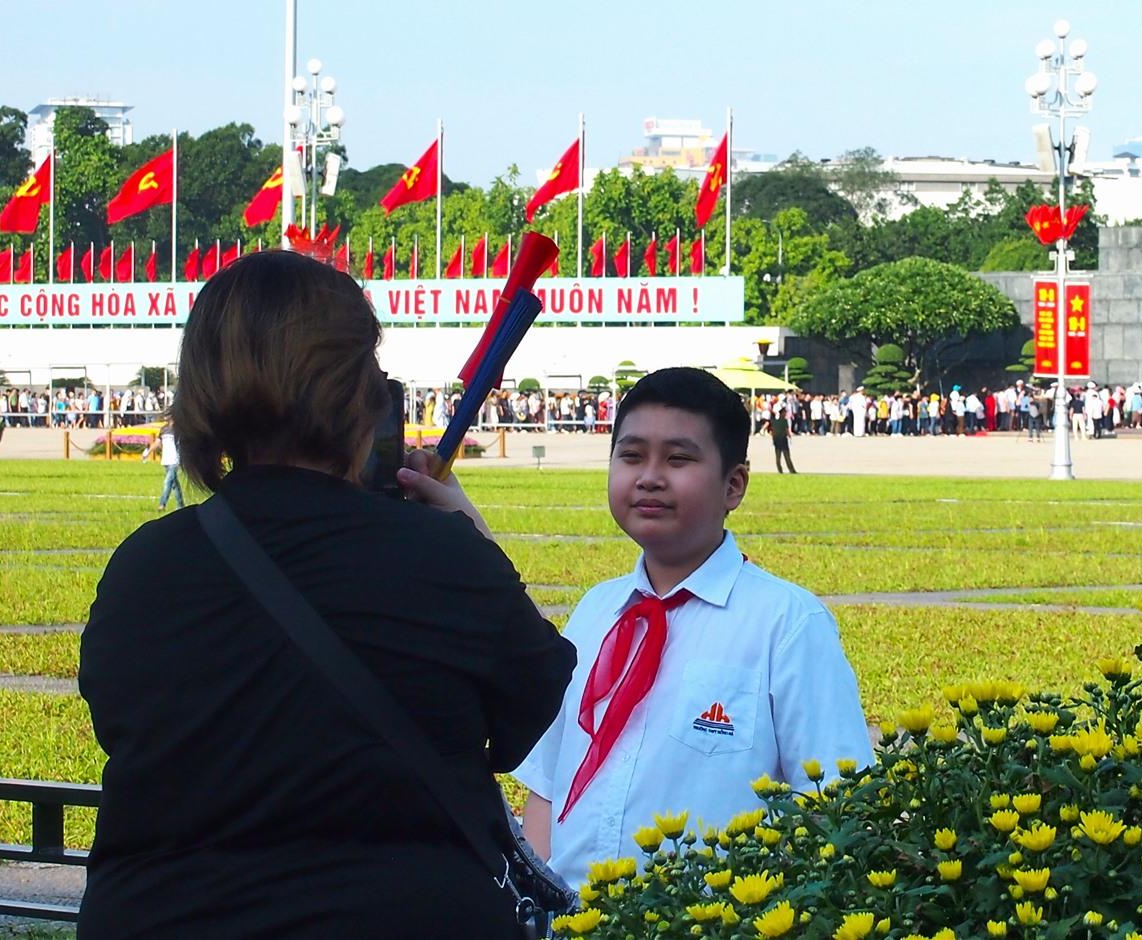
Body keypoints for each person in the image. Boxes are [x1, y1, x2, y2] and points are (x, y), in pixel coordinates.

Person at [77, 251, 574, 940]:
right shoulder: (440, 554)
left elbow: (119, 717)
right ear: (357, 393)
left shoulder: (144, 566)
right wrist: (472, 540)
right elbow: (530, 707)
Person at [515, 368, 874, 891]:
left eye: (678, 459)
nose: (649, 477)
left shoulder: (787, 625)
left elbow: (835, 809)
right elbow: (547, 785)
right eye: (631, 455)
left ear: (734, 485)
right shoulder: (596, 610)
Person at [153, 420, 183, 510]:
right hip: (166, 461)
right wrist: (148, 452)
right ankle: (181, 505)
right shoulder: (164, 429)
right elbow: (157, 442)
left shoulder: (179, 430)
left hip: (174, 460)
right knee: (174, 485)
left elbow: (181, 446)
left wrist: (180, 460)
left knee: (167, 482)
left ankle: (162, 504)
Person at [768, 397, 798, 474]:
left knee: (778, 456)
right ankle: (791, 470)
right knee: (786, 455)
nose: (785, 414)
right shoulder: (784, 421)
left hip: (776, 439)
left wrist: (773, 438)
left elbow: (772, 431)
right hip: (783, 439)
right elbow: (786, 430)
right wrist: (789, 435)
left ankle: (780, 470)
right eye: (784, 412)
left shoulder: (774, 422)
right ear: (782, 413)